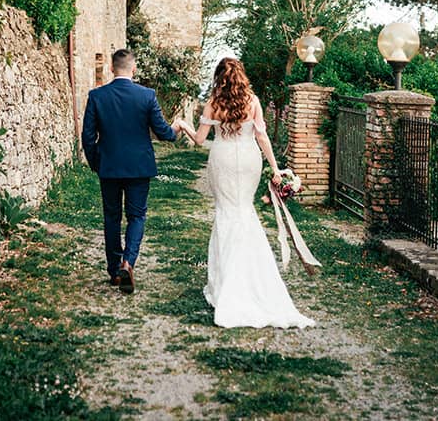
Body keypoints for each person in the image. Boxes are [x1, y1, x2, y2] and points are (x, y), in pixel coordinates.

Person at [175, 58, 315, 328]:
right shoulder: (252, 100)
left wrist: (183, 125)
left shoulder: (214, 102)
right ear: (241, 76)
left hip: (223, 157)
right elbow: (262, 137)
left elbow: (200, 140)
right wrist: (275, 168)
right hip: (250, 158)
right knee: (244, 211)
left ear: (218, 77)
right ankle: (251, 277)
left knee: (227, 213)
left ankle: (226, 283)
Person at [82, 48, 183, 294]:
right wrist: (176, 127)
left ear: (111, 68)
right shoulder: (147, 95)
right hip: (139, 167)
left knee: (112, 218)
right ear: (133, 69)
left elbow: (87, 136)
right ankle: (129, 262)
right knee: (137, 216)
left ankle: (115, 269)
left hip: (110, 167)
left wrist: (98, 162)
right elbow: (163, 132)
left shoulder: (97, 96)